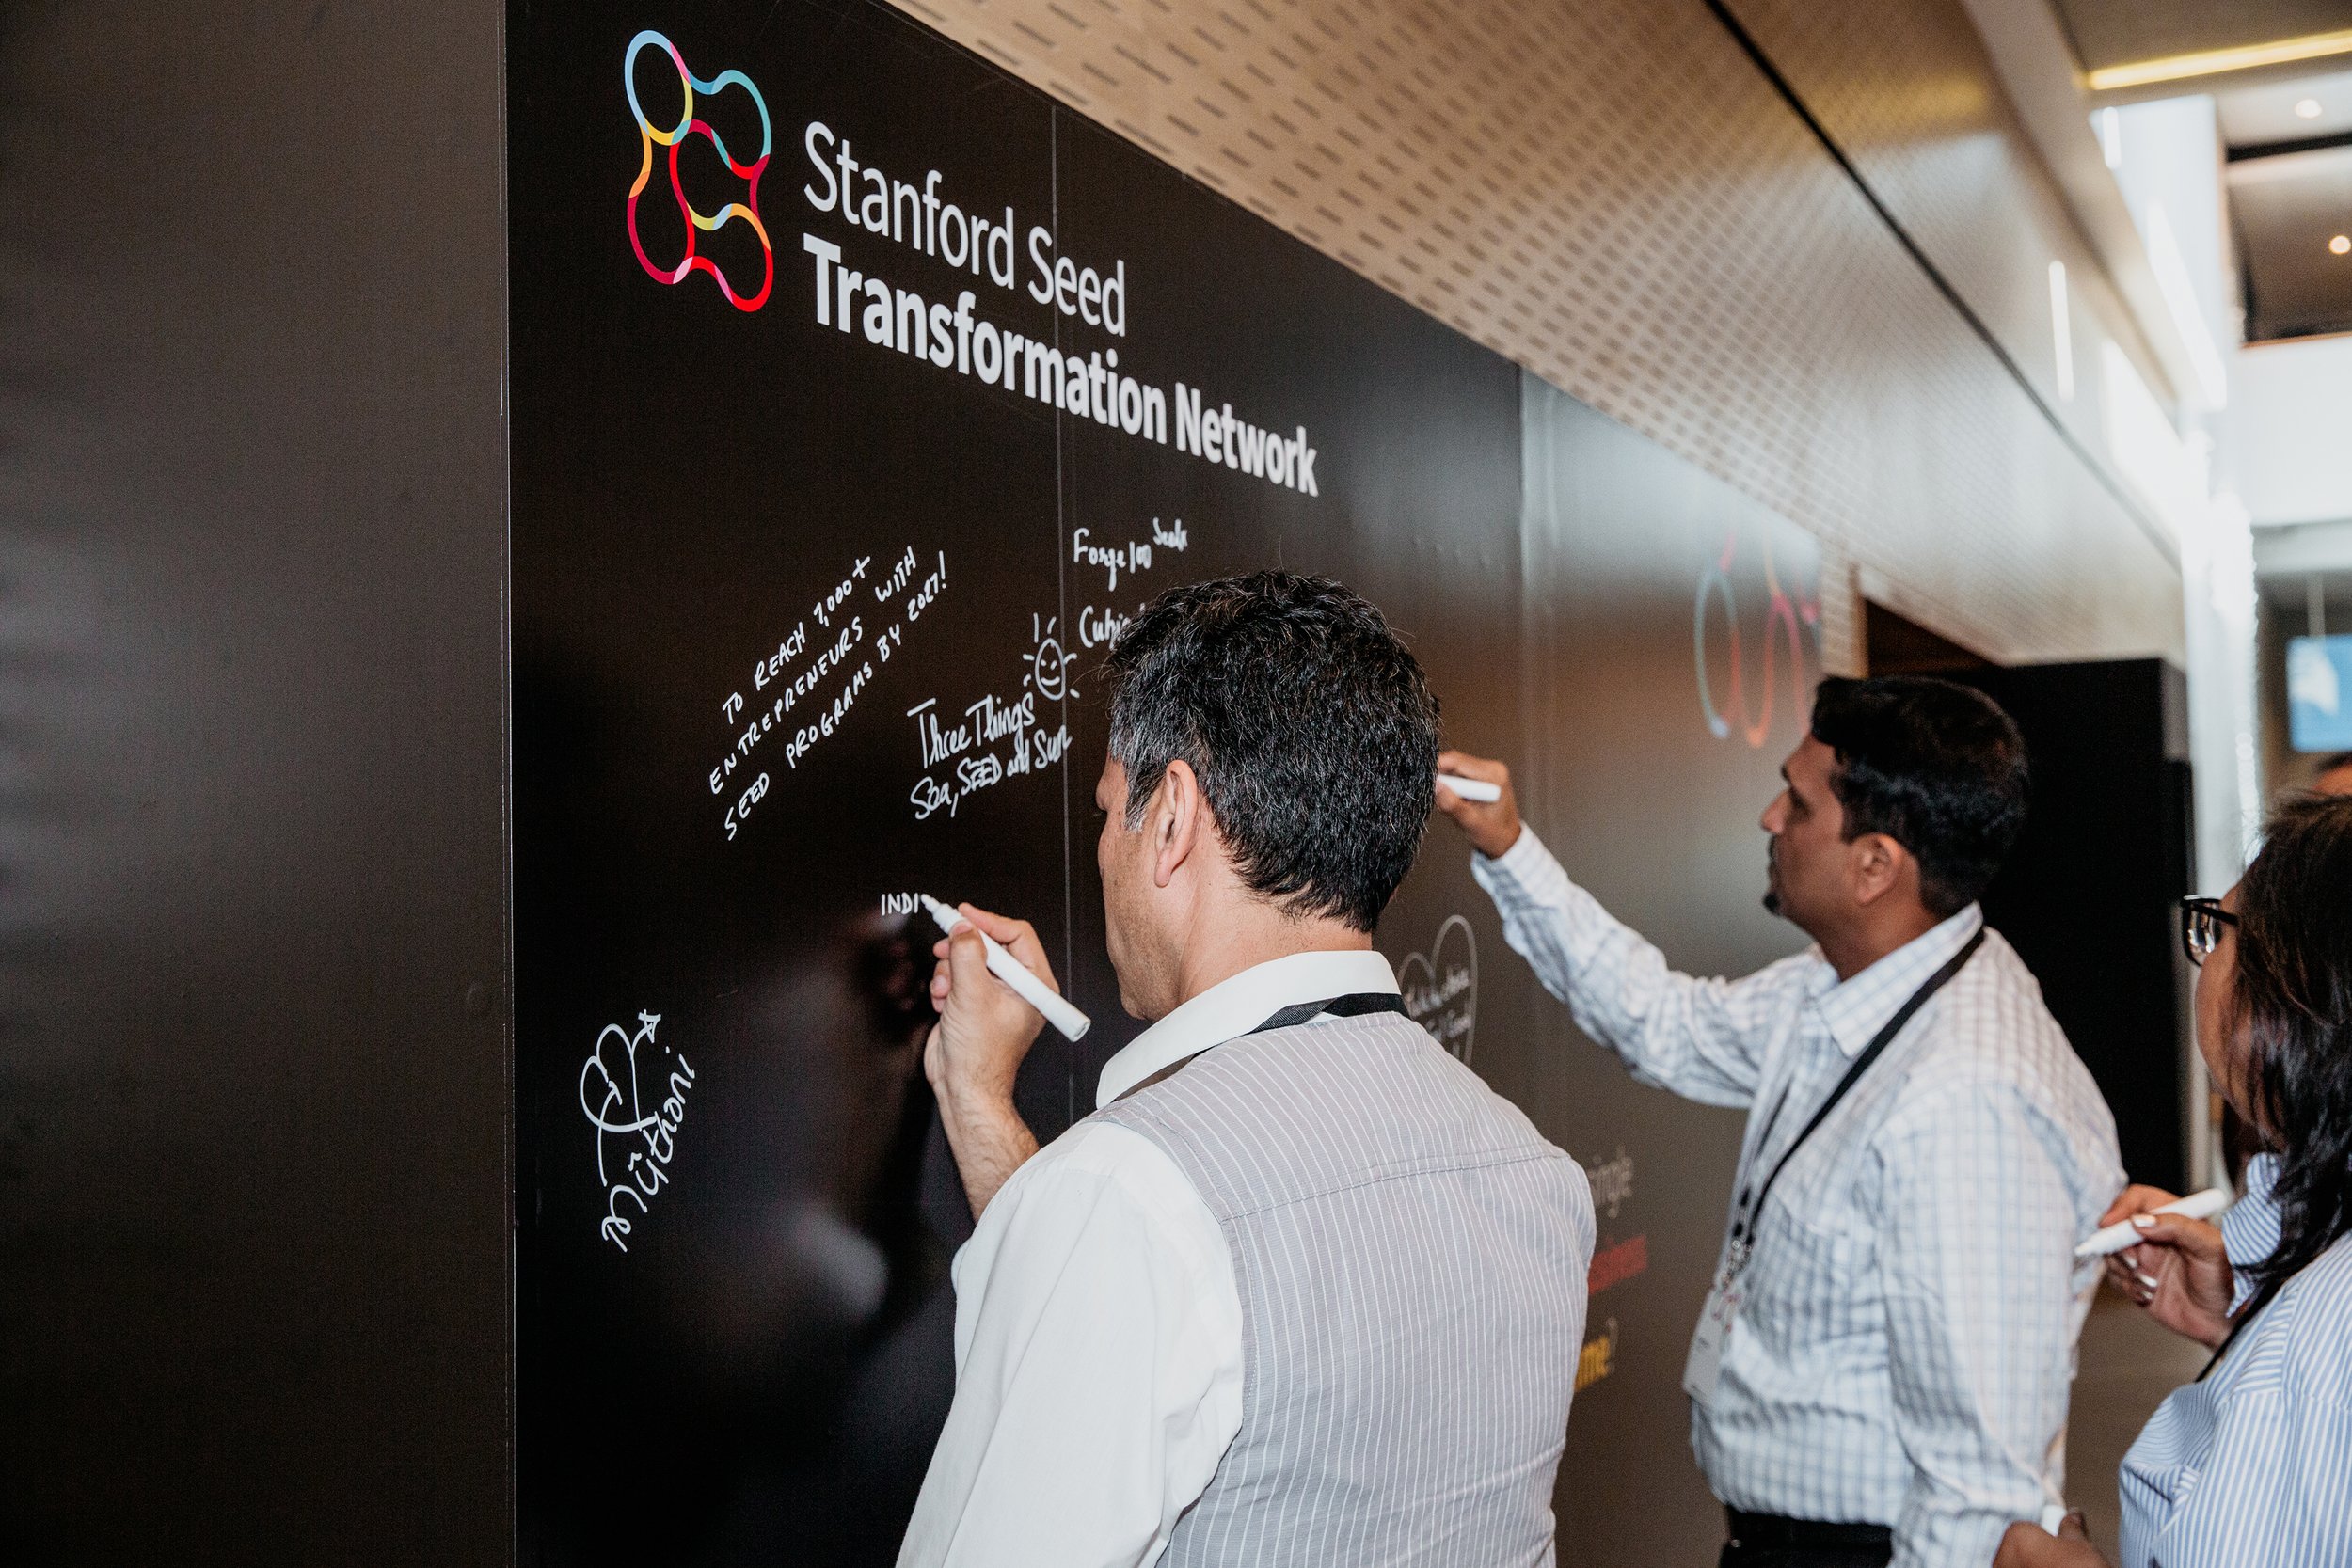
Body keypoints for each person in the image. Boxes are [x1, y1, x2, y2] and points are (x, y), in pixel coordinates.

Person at [897, 572, 1596, 1568]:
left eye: (1107, 811)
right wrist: (979, 1102)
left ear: (1172, 815)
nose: (1103, 848)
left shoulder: (1130, 1198)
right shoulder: (1534, 1175)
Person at [1438, 677, 2125, 1568]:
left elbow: (1977, 1493)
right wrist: (1511, 849)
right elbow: (1665, 1023)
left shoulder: (1969, 1103)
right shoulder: (1844, 983)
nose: (1769, 817)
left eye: (1798, 803)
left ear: (1876, 864)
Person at [1993, 794, 2352, 1566]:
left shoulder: (2323, 1336)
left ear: (2291, 989)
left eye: (2217, 929)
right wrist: (2243, 1318)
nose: (2205, 954)